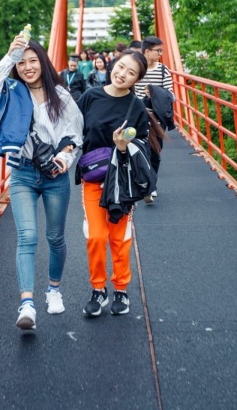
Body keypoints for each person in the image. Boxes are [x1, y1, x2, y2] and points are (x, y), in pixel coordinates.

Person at [0, 37, 83, 330]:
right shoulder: (11, 92)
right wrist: (9, 55)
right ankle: (27, 304)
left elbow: (75, 133)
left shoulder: (60, 95)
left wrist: (64, 157)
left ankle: (54, 290)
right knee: (27, 236)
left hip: (54, 175)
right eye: (21, 62)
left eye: (32, 60)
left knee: (55, 237)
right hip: (23, 172)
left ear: (43, 62)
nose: (27, 67)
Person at [76, 52, 150, 317]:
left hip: (122, 180)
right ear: (112, 65)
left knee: (119, 238)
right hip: (94, 178)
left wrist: (123, 146)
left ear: (136, 80)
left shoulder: (136, 106)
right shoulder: (90, 96)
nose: (122, 74)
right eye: (121, 67)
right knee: (96, 236)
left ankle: (121, 288)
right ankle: (98, 288)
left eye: (131, 73)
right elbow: (73, 129)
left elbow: (143, 143)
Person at [134, 36, 174, 203]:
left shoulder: (163, 70)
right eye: (158, 51)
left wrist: (155, 92)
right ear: (147, 51)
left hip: (158, 118)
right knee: (141, 150)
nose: (160, 54)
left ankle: (151, 185)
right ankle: (147, 185)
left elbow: (171, 95)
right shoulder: (136, 68)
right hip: (139, 116)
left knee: (155, 153)